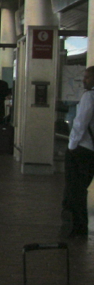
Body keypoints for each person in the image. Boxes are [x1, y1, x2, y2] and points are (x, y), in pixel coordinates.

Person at [62, 66, 94, 238]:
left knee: (75, 189)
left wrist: (71, 146)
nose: (84, 80)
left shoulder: (89, 97)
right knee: (83, 187)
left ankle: (76, 226)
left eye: (88, 77)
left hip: (82, 149)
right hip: (92, 152)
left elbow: (80, 123)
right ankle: (81, 225)